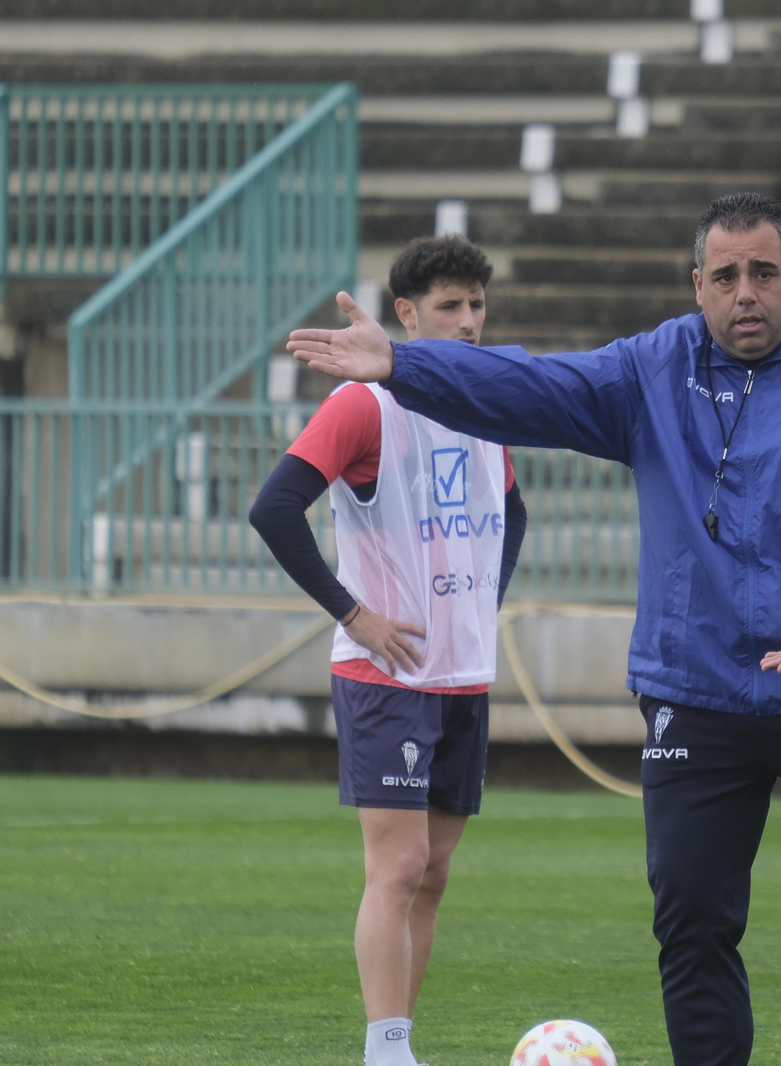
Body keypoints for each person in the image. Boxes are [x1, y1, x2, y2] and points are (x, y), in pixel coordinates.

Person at [287, 193, 781, 1066]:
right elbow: (533, 385)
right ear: (698, 286)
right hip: (693, 693)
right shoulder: (654, 370)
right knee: (692, 921)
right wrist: (403, 365)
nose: (746, 293)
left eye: (764, 273)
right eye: (726, 276)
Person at [250, 236, 528, 1066]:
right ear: (405, 315)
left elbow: (512, 514)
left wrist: (482, 606)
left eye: (478, 306)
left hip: (463, 675)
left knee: (434, 872)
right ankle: (385, 1051)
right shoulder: (362, 406)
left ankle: (399, 1043)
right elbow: (274, 509)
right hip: (386, 672)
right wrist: (357, 613)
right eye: (451, 306)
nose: (470, 322)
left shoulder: (490, 406)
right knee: (400, 865)